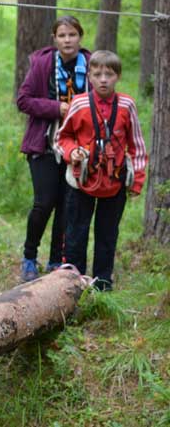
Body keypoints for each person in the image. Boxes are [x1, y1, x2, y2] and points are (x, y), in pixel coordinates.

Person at [55, 50, 147, 291]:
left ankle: (103, 284)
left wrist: (136, 180)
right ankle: (71, 284)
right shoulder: (80, 103)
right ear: (90, 77)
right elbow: (61, 137)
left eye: (109, 74)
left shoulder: (127, 105)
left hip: (114, 183)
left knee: (107, 235)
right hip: (81, 181)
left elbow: (137, 144)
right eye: (97, 74)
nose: (104, 79)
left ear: (118, 76)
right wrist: (72, 151)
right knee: (76, 232)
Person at [16, 16, 91, 282]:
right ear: (54, 39)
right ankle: (29, 256)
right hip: (45, 144)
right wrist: (56, 107)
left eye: (72, 35)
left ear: (80, 37)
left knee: (66, 204)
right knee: (44, 202)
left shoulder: (91, 64)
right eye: (62, 35)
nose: (67, 40)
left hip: (77, 147)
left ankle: (55, 260)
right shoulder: (42, 63)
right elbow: (23, 100)